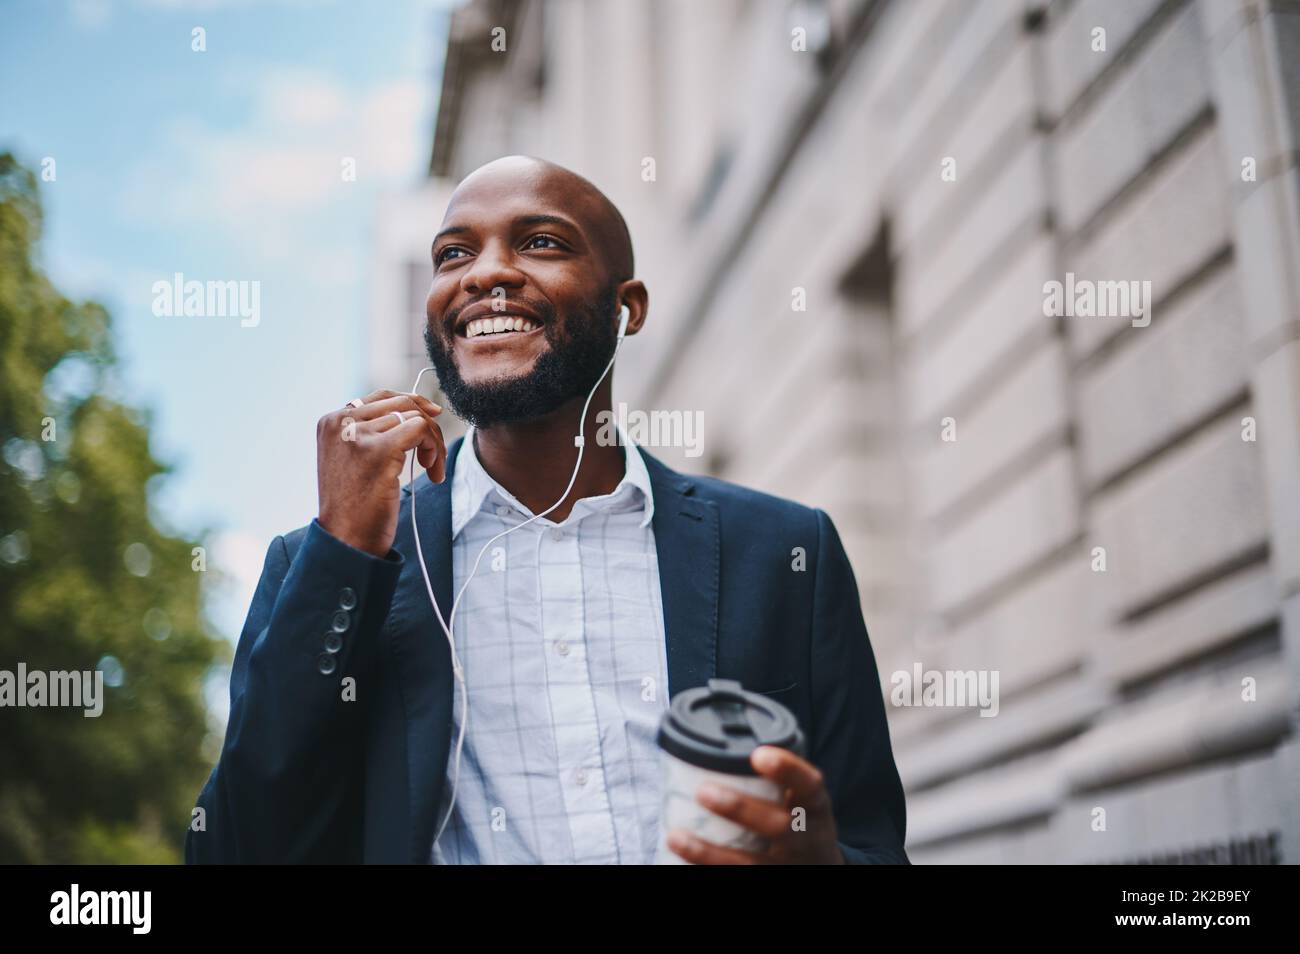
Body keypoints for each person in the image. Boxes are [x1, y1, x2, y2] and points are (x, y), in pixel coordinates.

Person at [186, 155, 908, 864]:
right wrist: (340, 555)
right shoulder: (331, 563)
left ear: (627, 309)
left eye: (540, 243)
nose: (483, 273)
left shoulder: (785, 550)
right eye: (452, 254)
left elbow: (873, 844)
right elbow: (235, 847)